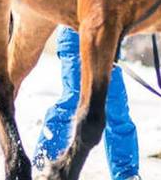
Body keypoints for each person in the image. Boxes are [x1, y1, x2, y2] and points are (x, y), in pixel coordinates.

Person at [34, 26, 141, 180]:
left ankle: (126, 174)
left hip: (106, 45)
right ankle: (45, 162)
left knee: (117, 110)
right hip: (75, 39)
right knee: (73, 101)